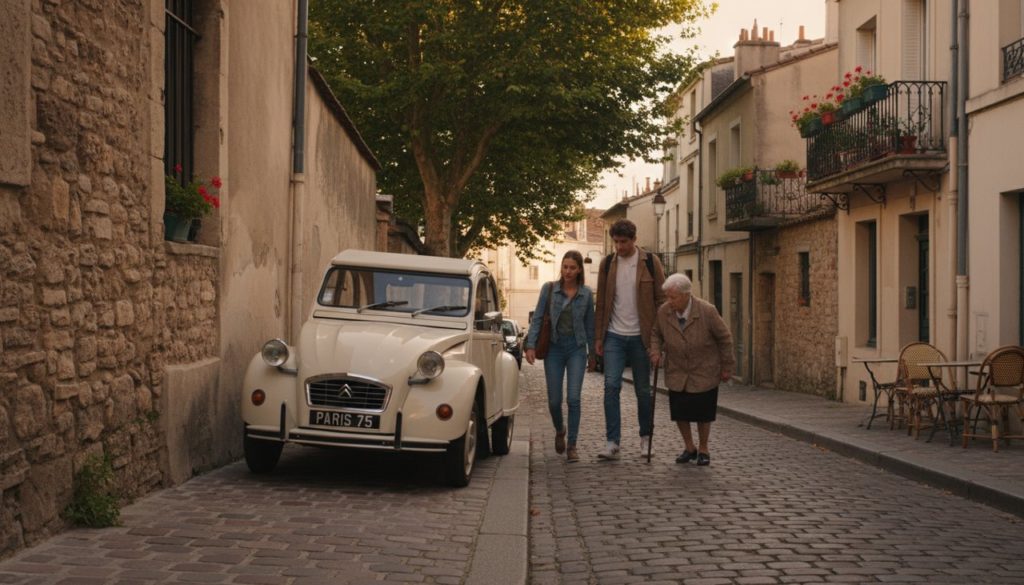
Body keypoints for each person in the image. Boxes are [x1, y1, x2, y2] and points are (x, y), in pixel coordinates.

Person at [594, 219, 667, 460]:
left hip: (641, 336)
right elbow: (601, 303)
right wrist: (598, 338)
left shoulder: (649, 262)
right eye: (616, 242)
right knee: (611, 387)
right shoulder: (606, 265)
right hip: (614, 335)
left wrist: (660, 338)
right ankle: (612, 442)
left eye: (623, 242)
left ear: (634, 240)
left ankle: (646, 439)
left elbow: (660, 300)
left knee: (643, 391)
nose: (619, 247)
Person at [649, 273, 734, 466]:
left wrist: (727, 366)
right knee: (680, 412)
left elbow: (725, 338)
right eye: (668, 297)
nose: (669, 301)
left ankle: (703, 448)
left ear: (686, 295)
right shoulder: (664, 312)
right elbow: (656, 333)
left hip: (704, 369)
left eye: (673, 297)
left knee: (703, 412)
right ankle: (689, 447)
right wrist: (655, 352)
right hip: (677, 370)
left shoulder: (707, 311)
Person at [524, 250, 596, 463]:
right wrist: (530, 346)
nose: (568, 271)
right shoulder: (549, 289)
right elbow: (538, 318)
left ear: (580, 269)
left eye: (572, 267)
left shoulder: (586, 294)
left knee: (573, 398)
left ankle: (572, 445)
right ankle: (560, 429)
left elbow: (590, 326)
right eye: (565, 267)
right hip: (554, 348)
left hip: (576, 348)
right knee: (554, 401)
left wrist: (592, 354)